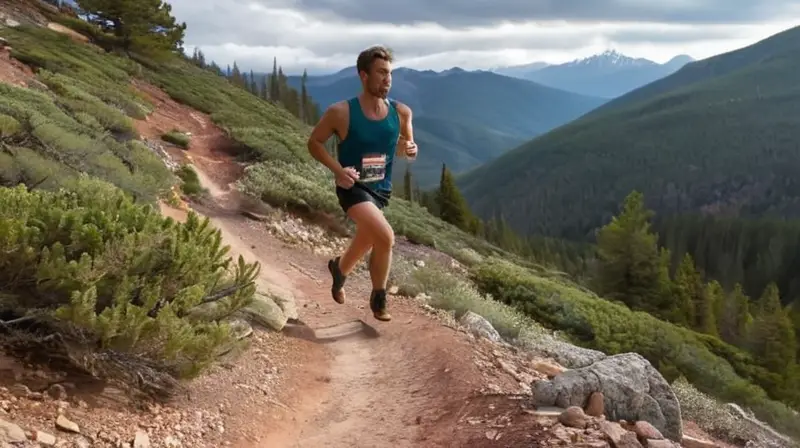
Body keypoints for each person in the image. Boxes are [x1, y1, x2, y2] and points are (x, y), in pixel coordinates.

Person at [306, 45, 418, 322]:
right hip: (352, 187)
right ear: (363, 75)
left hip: (380, 190)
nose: (387, 79)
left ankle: (340, 270)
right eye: (381, 73)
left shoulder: (402, 113)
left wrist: (411, 150)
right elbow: (314, 143)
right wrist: (337, 170)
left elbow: (404, 148)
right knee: (385, 237)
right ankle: (379, 299)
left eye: (389, 73)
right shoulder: (341, 112)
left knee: (368, 238)